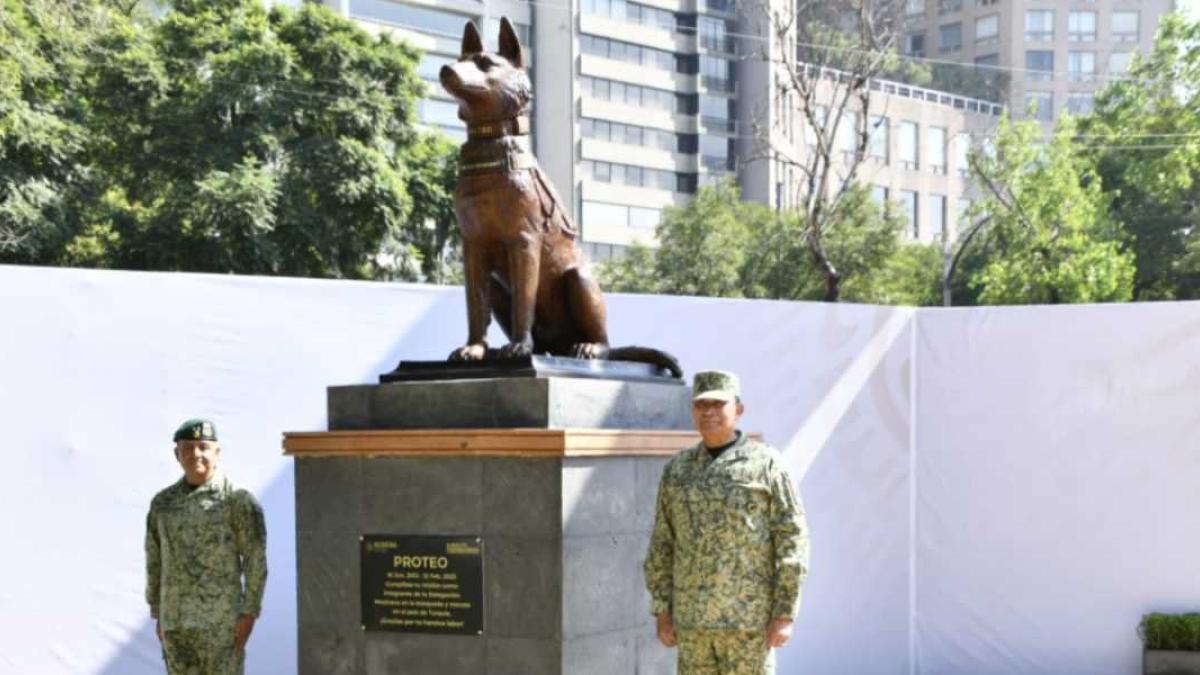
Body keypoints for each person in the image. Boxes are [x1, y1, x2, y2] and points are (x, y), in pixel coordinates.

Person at [644, 370, 809, 675]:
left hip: (748, 624)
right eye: (701, 405)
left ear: (739, 409)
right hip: (693, 625)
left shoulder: (766, 465)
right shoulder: (677, 470)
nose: (708, 412)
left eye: (718, 404)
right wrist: (663, 610)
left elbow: (792, 539)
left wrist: (784, 613)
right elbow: (663, 543)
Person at [145, 418, 267, 675]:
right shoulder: (163, 504)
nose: (195, 454)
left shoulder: (237, 499)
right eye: (187, 447)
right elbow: (154, 560)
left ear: (217, 453)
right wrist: (158, 613)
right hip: (176, 625)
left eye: (203, 446)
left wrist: (249, 614)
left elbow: (256, 560)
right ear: (177, 453)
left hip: (221, 627)